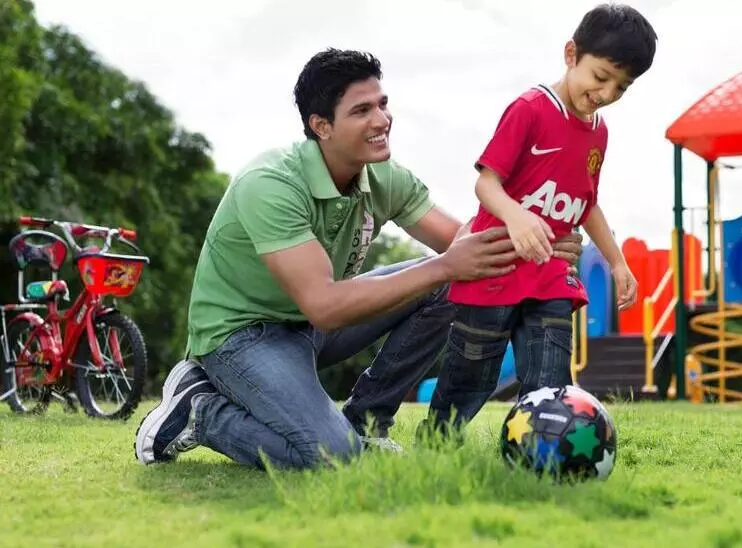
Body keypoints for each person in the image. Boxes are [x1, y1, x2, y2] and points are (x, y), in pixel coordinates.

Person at [133, 48, 585, 471]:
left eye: (382, 104)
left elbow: (465, 241)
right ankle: (198, 409)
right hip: (242, 337)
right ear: (321, 126)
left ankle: (368, 421)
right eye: (361, 110)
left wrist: (536, 237)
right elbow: (323, 305)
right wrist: (448, 264)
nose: (382, 120)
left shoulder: (382, 175)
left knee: (450, 286)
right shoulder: (270, 184)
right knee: (331, 456)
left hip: (309, 328)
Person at [420, 3, 657, 438]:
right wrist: (518, 218)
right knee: (470, 377)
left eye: (621, 88)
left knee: (550, 384)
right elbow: (486, 184)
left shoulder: (598, 133)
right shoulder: (530, 108)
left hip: (552, 276)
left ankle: (543, 457)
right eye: (601, 77)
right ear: (571, 55)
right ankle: (436, 445)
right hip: (493, 270)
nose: (606, 93)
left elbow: (588, 203)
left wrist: (618, 263)